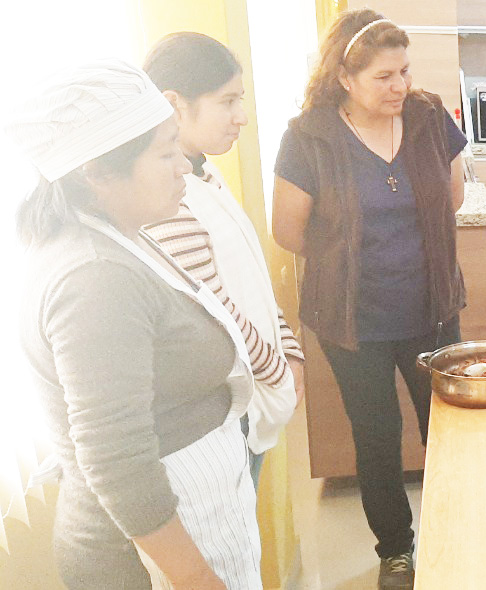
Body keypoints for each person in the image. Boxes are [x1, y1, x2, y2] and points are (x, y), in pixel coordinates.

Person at [11, 59, 261, 589]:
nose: (184, 167)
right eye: (166, 153)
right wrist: (197, 579)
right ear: (96, 172)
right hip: (148, 560)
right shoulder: (93, 277)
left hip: (201, 516)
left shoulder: (121, 235)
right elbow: (116, 458)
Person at [271, 10, 468, 589]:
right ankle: (396, 551)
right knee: (376, 437)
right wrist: (352, 259)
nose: (399, 86)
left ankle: (456, 533)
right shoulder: (309, 136)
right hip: (352, 321)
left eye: (404, 71)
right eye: (383, 76)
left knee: (450, 431)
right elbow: (288, 231)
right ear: (344, 78)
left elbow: (453, 198)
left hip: (432, 310)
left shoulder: (429, 117)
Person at [142, 32, 303, 487]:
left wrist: (289, 348)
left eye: (241, 100)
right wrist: (279, 373)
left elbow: (250, 278)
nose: (242, 117)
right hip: (231, 404)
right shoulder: (169, 198)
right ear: (174, 105)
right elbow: (217, 310)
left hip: (257, 387)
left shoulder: (204, 171)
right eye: (227, 101)